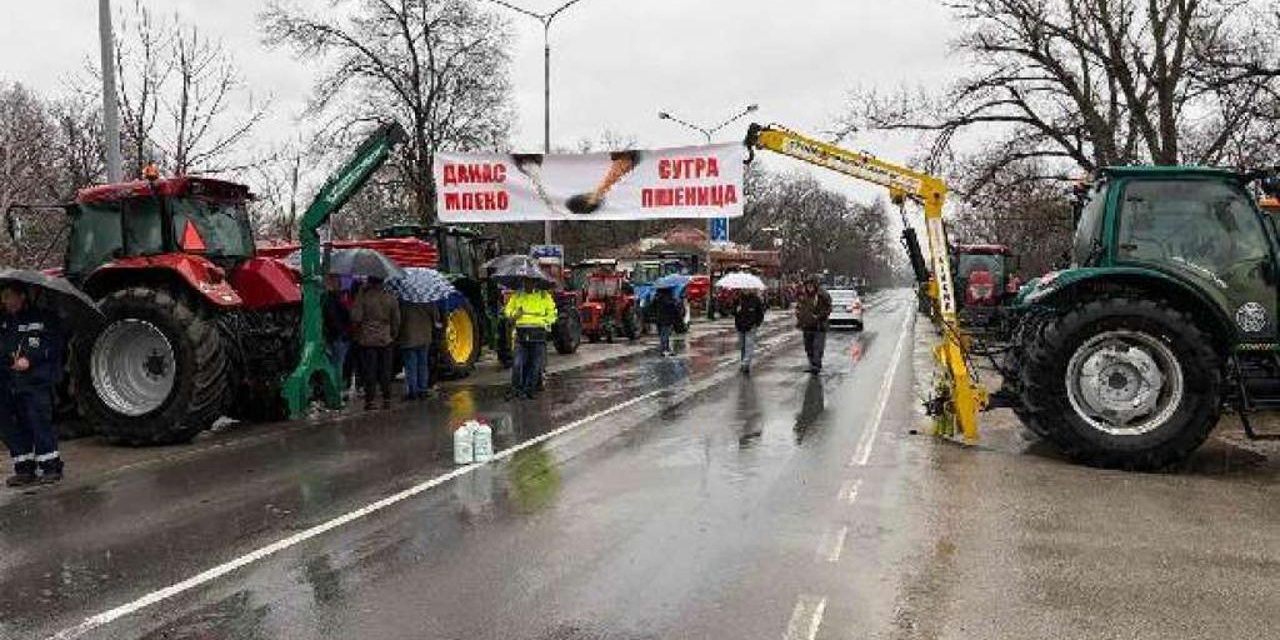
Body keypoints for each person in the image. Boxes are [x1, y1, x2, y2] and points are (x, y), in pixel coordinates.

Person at [0, 283, 63, 486]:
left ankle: (50, 466)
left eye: (10, 296)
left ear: (22, 296)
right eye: (4, 297)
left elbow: (52, 345)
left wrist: (30, 359)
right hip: (9, 383)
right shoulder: (4, 322)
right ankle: (24, 468)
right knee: (13, 427)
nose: (6, 301)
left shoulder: (42, 318)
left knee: (38, 422)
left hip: (34, 381)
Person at [351, 276, 400, 410]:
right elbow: (396, 320)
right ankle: (387, 399)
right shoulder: (390, 297)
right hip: (386, 339)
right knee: (386, 371)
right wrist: (393, 335)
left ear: (370, 282)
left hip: (368, 340)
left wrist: (360, 293)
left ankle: (370, 401)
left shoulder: (364, 298)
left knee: (370, 372)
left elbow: (356, 317)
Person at [504, 277, 556, 399]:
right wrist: (514, 315)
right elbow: (508, 310)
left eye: (530, 281)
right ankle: (516, 389)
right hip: (521, 332)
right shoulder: (517, 295)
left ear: (535, 282)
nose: (528, 284)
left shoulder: (544, 296)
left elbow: (552, 313)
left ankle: (529, 390)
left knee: (535, 364)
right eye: (525, 281)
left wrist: (545, 323)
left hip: (538, 333)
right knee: (517, 363)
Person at [399, 300, 438, 401]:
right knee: (423, 364)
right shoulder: (427, 300)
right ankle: (423, 389)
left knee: (410, 365)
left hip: (408, 336)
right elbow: (435, 317)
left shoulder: (403, 301)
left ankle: (413, 391)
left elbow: (398, 318)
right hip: (425, 336)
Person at [795, 275, 832, 373]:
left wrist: (819, 316)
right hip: (807, 325)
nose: (809, 287)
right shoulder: (804, 296)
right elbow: (799, 307)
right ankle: (811, 363)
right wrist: (799, 316)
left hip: (819, 326)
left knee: (817, 346)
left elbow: (828, 308)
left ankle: (816, 365)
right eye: (807, 285)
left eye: (811, 285)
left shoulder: (822, 295)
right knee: (808, 347)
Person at [322, 275, 353, 394]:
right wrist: (343, 331)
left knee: (336, 363)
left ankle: (335, 389)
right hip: (339, 336)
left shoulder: (329, 298)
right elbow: (335, 318)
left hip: (334, 335)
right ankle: (336, 390)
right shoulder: (333, 299)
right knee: (338, 364)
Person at [733, 289, 766, 374]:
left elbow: (760, 313)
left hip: (751, 327)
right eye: (744, 289)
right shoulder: (739, 299)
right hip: (740, 326)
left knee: (749, 345)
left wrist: (756, 324)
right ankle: (743, 361)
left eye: (747, 289)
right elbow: (733, 312)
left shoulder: (755, 300)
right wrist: (736, 309)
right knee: (742, 346)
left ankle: (746, 364)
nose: (746, 290)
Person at [654, 287, 681, 356]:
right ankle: (664, 349)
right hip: (667, 319)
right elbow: (674, 309)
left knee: (662, 335)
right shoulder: (669, 299)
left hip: (659, 319)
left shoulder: (657, 298)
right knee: (665, 335)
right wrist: (676, 302)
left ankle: (666, 349)